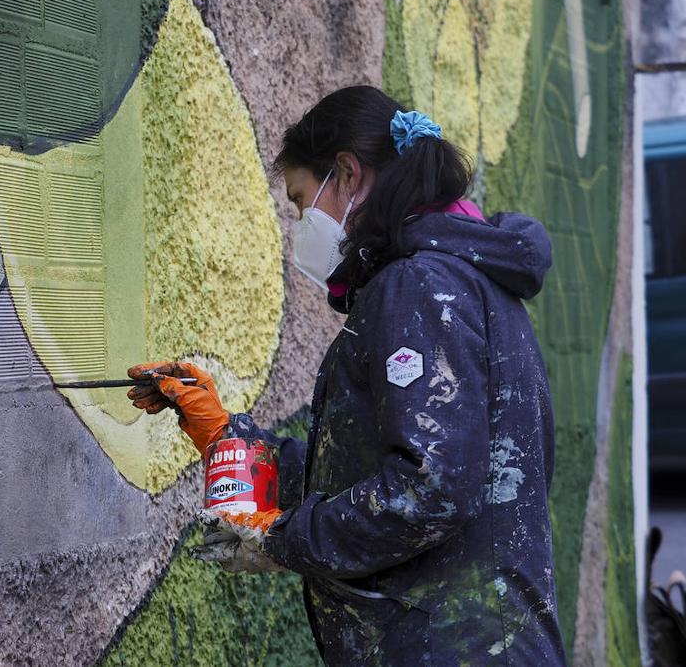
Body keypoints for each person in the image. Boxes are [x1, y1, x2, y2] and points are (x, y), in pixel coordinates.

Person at [128, 86, 567, 666]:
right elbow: (379, 467)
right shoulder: (456, 281)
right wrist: (230, 441)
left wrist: (283, 538)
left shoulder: (419, 287)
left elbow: (429, 488)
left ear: (348, 174)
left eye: (301, 201)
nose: (299, 226)